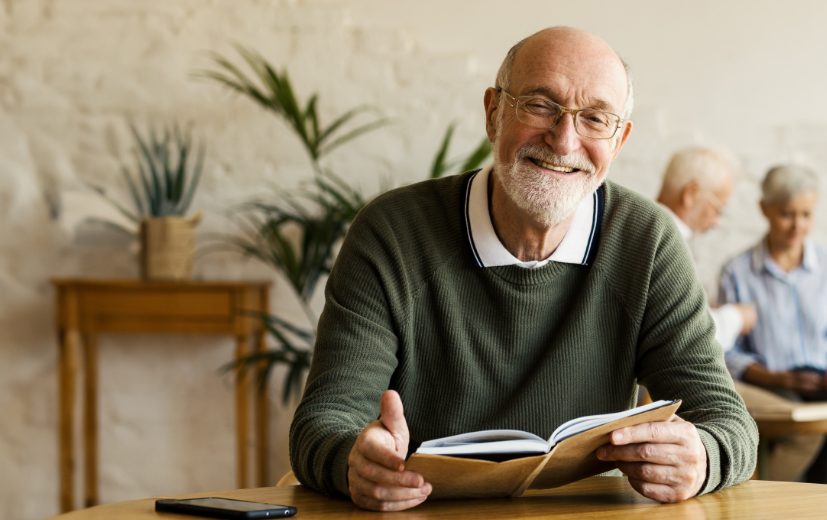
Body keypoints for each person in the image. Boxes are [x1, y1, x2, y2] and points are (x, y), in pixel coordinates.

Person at [288, 27, 757, 512]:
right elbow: (323, 424)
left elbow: (729, 423)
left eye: (595, 119)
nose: (564, 140)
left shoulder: (647, 240)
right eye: (539, 105)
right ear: (493, 113)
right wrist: (355, 462)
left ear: (619, 141)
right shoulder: (392, 232)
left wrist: (702, 456)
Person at [718, 165, 827, 483]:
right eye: (787, 214)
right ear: (765, 209)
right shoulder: (737, 272)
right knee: (804, 422)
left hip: (824, 384)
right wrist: (780, 378)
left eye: (806, 214)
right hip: (771, 387)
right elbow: (726, 353)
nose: (797, 225)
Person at [654, 147, 758, 350]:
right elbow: (692, 335)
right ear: (691, 194)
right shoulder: (667, 245)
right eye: (718, 209)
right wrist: (737, 317)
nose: (717, 222)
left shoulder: (641, 229)